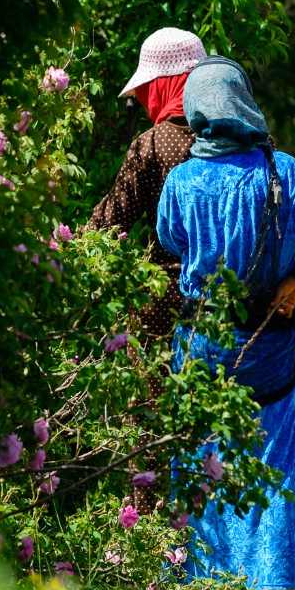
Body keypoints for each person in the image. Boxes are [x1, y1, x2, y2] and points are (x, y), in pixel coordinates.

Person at [156, 56, 295, 590]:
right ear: (244, 104)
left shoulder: (180, 180)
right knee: (274, 461)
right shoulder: (284, 172)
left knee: (199, 457)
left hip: (201, 347)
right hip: (268, 344)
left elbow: (171, 242)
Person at [89, 26, 206, 513]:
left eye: (145, 91)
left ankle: (148, 531)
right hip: (232, 304)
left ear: (164, 85)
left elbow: (108, 222)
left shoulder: (155, 144)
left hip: (161, 306)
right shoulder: (250, 145)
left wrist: (67, 254)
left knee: (151, 421)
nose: (140, 101)